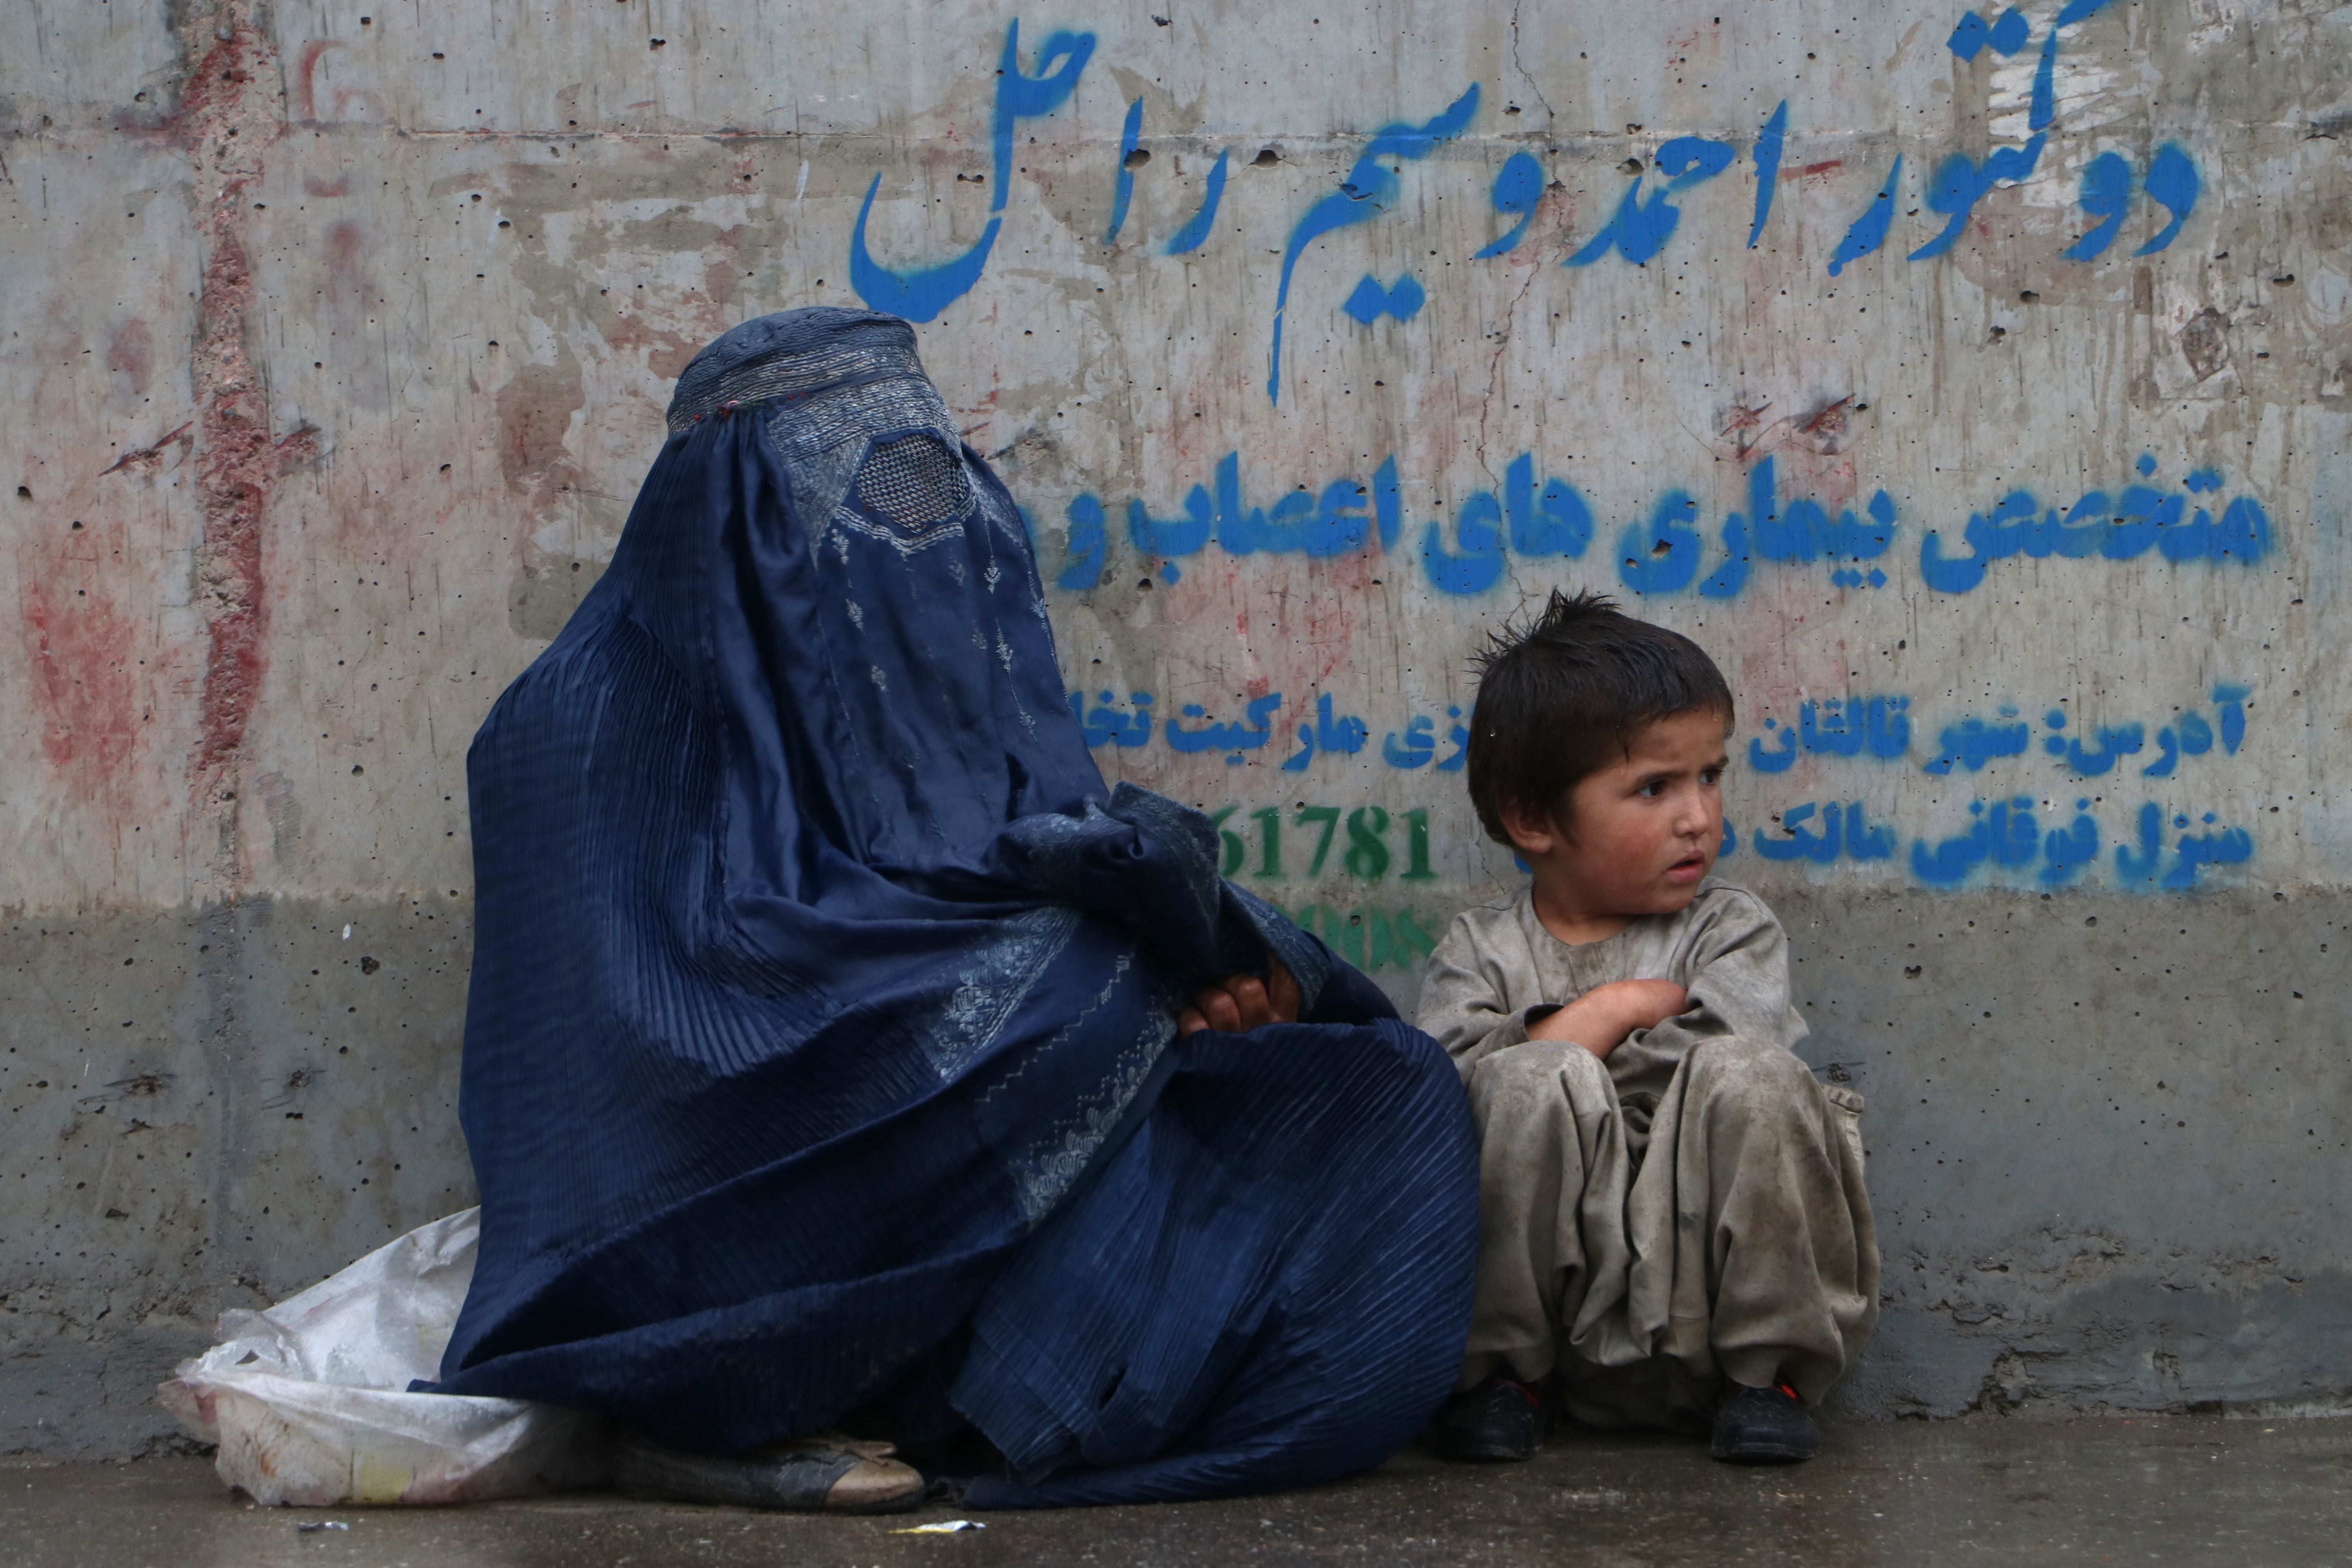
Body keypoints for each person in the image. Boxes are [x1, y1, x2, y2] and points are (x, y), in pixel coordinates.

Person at [429, 308, 1479, 1509]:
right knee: (1080, 984)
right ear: (735, 527)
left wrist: (1221, 962)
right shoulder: (576, 729)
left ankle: (1053, 1395)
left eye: (941, 493)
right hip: (732, 1246)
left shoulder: (941, 635)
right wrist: (1090, 984)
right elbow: (667, 1052)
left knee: (1388, 1094)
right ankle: (708, 1412)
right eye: (874, 501)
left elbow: (1018, 852)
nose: (919, 538)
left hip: (1048, 1177)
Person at [1416, 590, 1877, 1466]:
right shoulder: (1479, 951)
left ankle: (1766, 1378)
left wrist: (1579, 1065)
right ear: (1533, 820)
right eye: (1655, 786)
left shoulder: (1729, 929)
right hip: (1555, 1345)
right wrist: (1610, 1011)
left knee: (1750, 1072)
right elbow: (1444, 1096)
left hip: (1707, 1324)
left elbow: (1727, 1044)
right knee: (1520, 1080)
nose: (1698, 815)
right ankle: (1504, 1380)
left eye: (1711, 774)